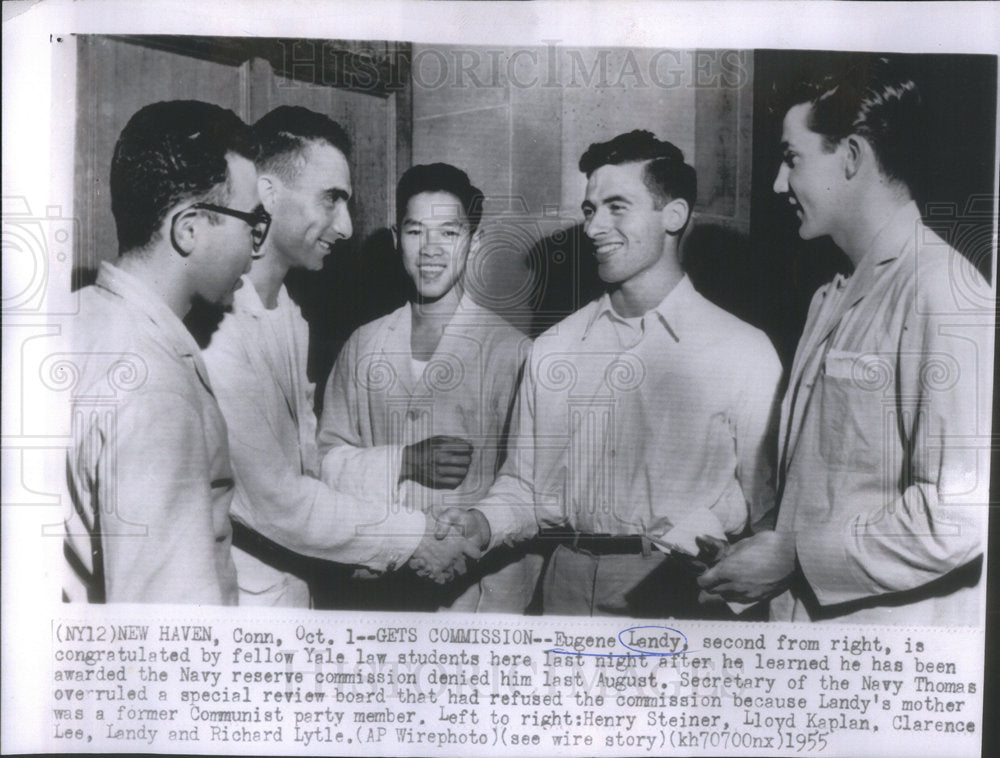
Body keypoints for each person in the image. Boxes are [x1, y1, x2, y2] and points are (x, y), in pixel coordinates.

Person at [437, 131, 783, 616]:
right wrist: (481, 523)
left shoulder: (743, 351)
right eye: (589, 210)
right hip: (566, 583)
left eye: (617, 207)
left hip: (678, 589)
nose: (594, 227)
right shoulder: (554, 348)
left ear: (675, 215)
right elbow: (524, 487)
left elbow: (769, 510)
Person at [698, 57, 992, 624]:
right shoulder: (828, 296)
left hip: (887, 655)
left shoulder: (944, 292)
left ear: (852, 157)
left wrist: (794, 555)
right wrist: (757, 551)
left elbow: (955, 519)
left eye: (792, 160)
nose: (779, 183)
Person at [201, 107, 472, 607]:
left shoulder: (289, 314)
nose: (346, 226)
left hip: (296, 597)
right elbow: (279, 502)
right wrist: (414, 537)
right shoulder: (217, 330)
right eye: (332, 200)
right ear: (267, 194)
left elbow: (311, 467)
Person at [64, 100, 265, 604]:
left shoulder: (75, 317)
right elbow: (166, 638)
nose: (255, 248)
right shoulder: (157, 393)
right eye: (250, 223)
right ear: (189, 228)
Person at [318, 163, 542, 612]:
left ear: (474, 243)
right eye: (417, 231)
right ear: (397, 238)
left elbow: (532, 489)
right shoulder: (362, 345)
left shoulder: (515, 353)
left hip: (476, 600)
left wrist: (463, 544)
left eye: (449, 233)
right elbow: (324, 463)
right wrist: (399, 464)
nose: (430, 250)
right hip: (377, 587)